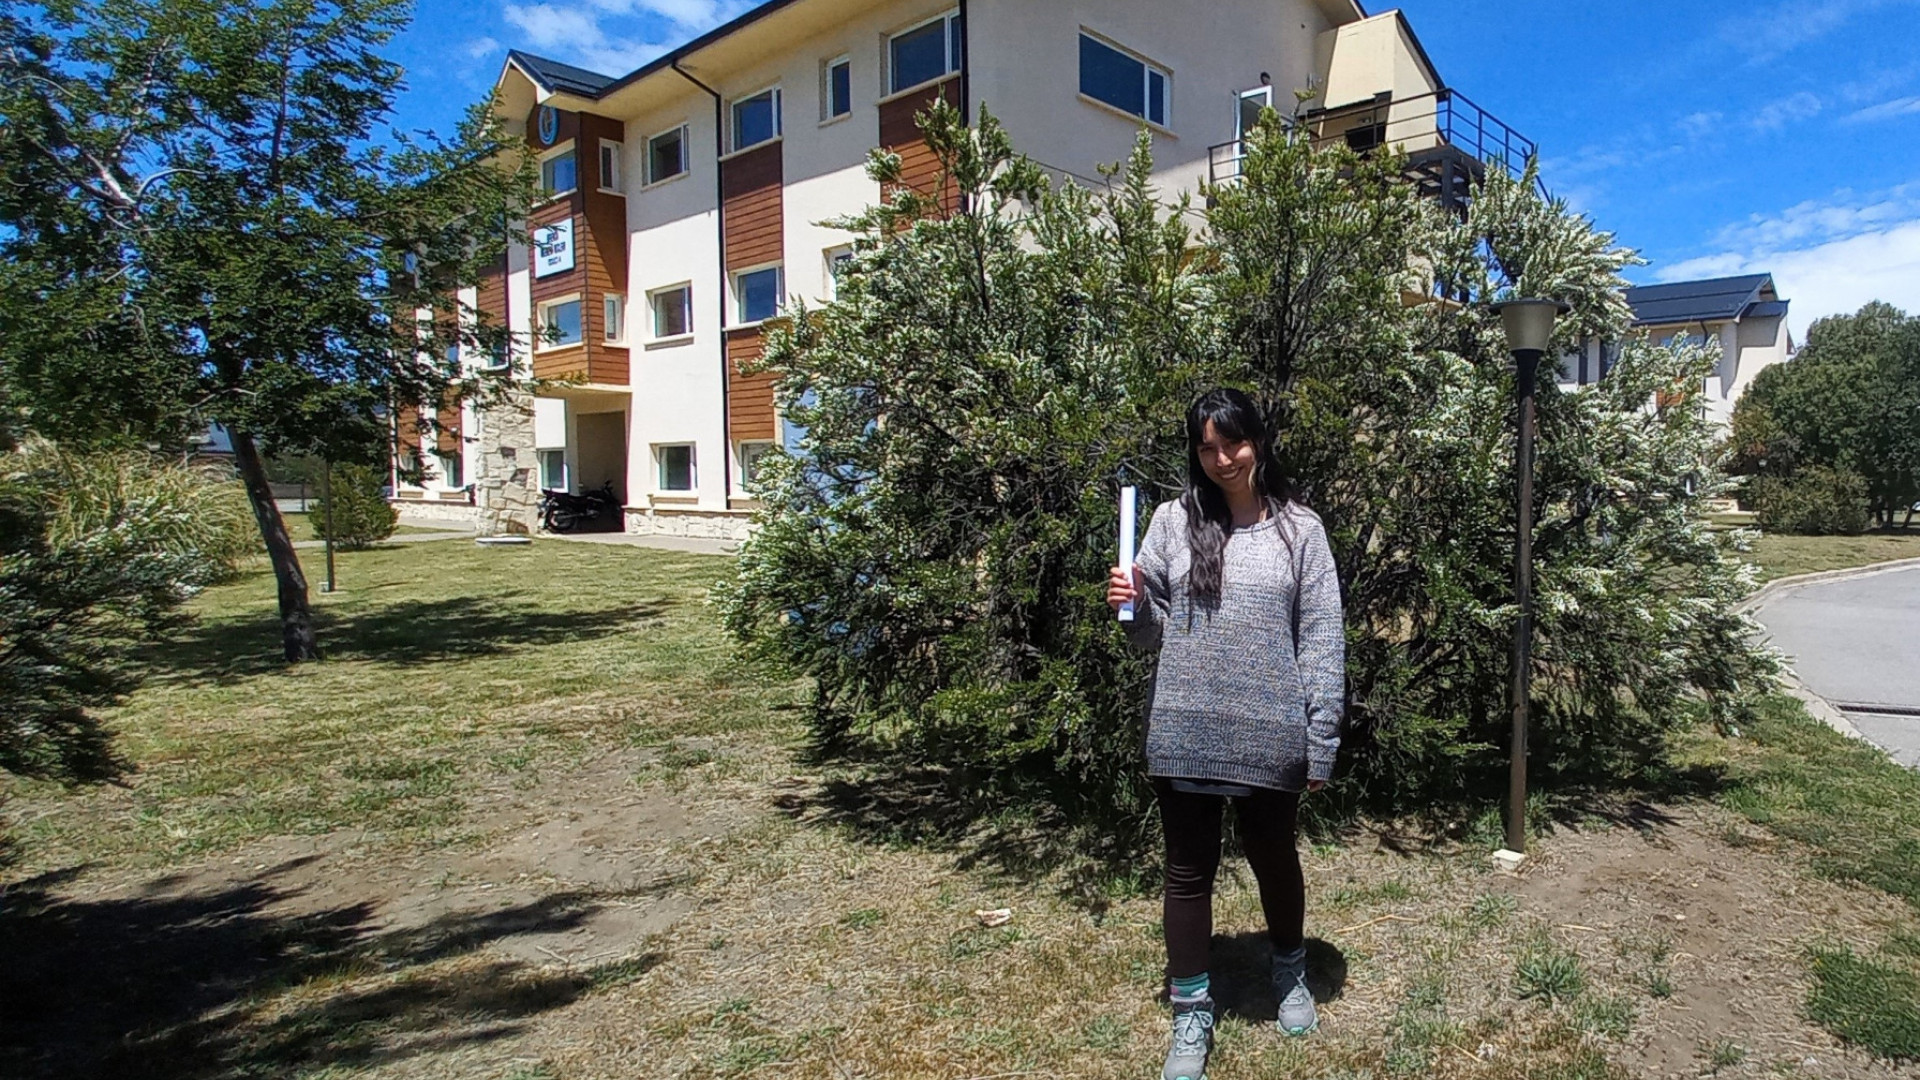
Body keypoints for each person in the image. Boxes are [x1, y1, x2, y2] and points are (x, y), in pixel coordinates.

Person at [1107, 387, 1346, 1080]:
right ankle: (1190, 1014)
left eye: (1232, 443)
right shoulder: (1170, 523)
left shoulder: (1301, 531)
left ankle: (1290, 972)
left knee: (1274, 857)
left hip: (1271, 733)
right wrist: (1131, 604)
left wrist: (1321, 737)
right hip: (1183, 727)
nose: (1220, 460)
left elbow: (1323, 640)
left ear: (1259, 442)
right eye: (1206, 448)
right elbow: (1142, 638)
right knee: (1187, 874)